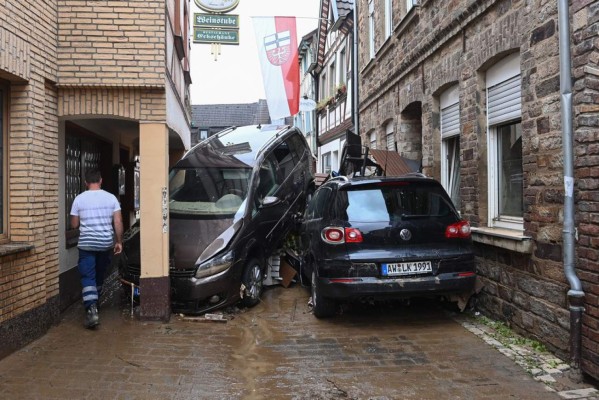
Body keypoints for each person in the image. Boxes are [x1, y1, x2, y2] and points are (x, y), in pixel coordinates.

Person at [70, 168, 123, 329]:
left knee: (88, 276)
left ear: (86, 183)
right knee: (99, 275)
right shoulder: (111, 198)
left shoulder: (79, 199)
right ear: (101, 181)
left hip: (86, 244)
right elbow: (118, 222)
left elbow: (74, 224)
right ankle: (95, 303)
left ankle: (91, 309)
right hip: (105, 244)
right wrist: (119, 241)